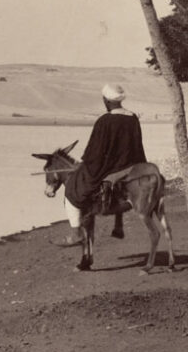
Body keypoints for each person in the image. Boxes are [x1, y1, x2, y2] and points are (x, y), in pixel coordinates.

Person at [57, 83, 146, 246]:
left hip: (110, 168)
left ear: (107, 101)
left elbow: (95, 151)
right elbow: (137, 144)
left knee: (71, 191)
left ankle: (76, 233)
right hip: (132, 165)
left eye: (104, 99)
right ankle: (118, 224)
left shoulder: (104, 121)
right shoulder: (133, 117)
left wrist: (84, 164)